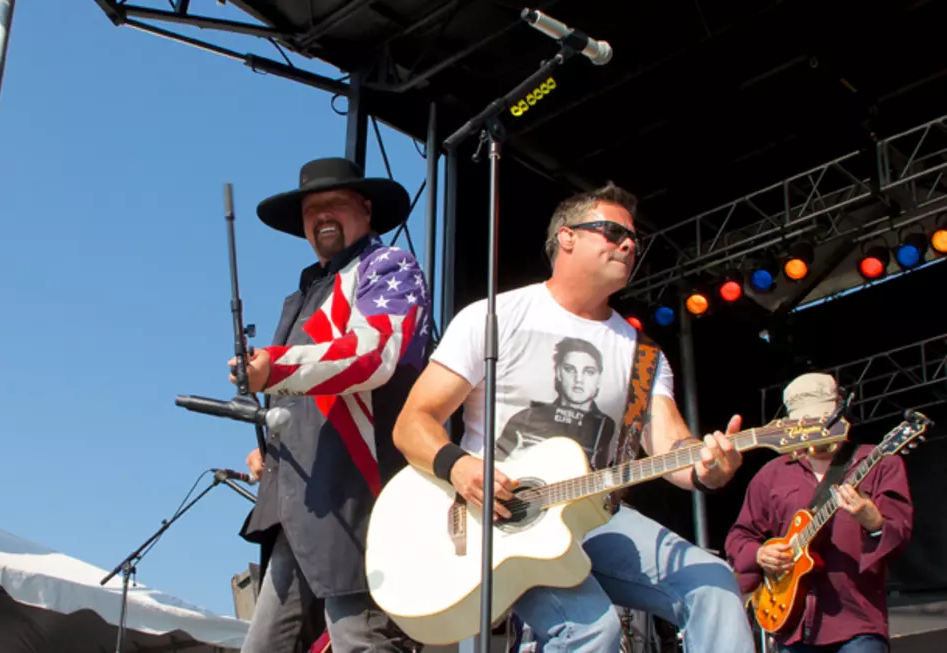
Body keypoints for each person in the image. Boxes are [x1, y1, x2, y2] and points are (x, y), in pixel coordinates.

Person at [391, 181, 756, 652]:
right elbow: (412, 423)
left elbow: (672, 447)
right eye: (611, 231)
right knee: (590, 630)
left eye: (633, 240)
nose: (628, 244)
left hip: (595, 517)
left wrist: (708, 467)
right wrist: (460, 467)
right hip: (497, 518)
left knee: (714, 581)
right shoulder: (495, 317)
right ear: (566, 237)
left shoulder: (642, 354)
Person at [230, 157, 432, 653]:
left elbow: (372, 354)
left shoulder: (389, 267)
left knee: (359, 639)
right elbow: (302, 403)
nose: (321, 217)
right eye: (310, 210)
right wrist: (272, 450)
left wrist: (273, 366)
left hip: (359, 496)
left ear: (365, 210)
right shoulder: (301, 294)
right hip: (297, 501)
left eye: (334, 205)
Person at [725, 373, 914, 653]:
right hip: (793, 626)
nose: (816, 431)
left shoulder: (879, 462)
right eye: (805, 424)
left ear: (840, 414)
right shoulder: (770, 476)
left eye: (822, 420)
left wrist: (872, 521)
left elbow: (900, 533)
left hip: (857, 623)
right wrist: (759, 554)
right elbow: (739, 536)